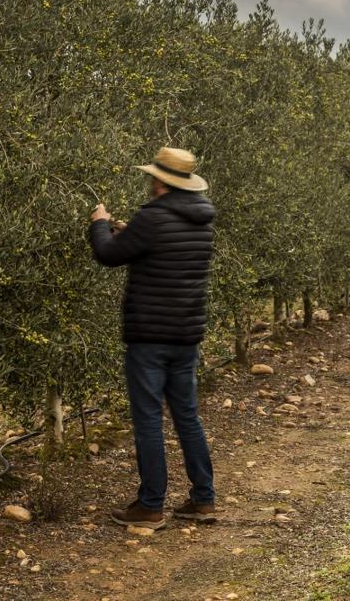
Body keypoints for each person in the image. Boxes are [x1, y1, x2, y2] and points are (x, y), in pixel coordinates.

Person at [87, 146, 217, 529]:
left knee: (147, 419)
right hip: (187, 333)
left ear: (160, 180)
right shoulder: (202, 221)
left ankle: (150, 506)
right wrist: (134, 233)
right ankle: (203, 500)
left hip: (149, 336)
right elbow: (167, 255)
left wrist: (100, 222)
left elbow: (108, 255)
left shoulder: (153, 217)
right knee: (187, 416)